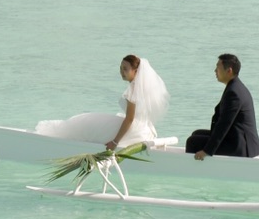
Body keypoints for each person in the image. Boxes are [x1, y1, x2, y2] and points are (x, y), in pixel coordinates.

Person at [35, 55, 170, 149]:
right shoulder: (141, 88)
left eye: (125, 69)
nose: (121, 72)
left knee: (87, 124)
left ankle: (60, 142)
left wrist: (115, 142)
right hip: (145, 130)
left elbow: (129, 119)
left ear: (136, 71)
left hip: (133, 130)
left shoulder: (133, 91)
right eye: (120, 68)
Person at [185, 53, 259, 160]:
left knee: (192, 142)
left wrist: (207, 151)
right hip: (237, 139)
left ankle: (196, 173)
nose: (215, 71)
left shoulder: (233, 92)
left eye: (218, 67)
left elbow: (224, 124)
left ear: (229, 71)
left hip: (241, 147)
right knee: (196, 134)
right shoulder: (235, 87)